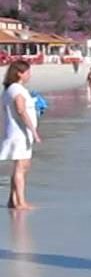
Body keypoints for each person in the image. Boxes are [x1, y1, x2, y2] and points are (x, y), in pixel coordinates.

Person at [2, 61, 39, 210]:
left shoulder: (10, 89)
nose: (30, 75)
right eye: (28, 72)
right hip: (20, 133)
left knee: (22, 166)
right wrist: (33, 131)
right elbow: (20, 109)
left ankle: (13, 200)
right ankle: (21, 202)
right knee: (21, 167)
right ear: (19, 73)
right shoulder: (16, 89)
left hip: (18, 132)